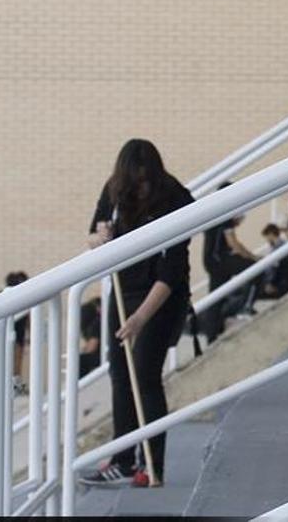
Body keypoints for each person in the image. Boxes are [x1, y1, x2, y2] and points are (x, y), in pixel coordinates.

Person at [81, 139, 193, 488]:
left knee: (144, 373)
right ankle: (124, 459)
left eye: (147, 182)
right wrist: (100, 238)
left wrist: (141, 318)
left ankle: (152, 464)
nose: (141, 188)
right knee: (119, 373)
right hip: (123, 290)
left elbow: (172, 270)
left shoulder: (175, 197)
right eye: (137, 182)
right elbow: (93, 233)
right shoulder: (114, 191)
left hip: (162, 296)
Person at [200, 183, 261, 343]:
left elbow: (222, 239)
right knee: (256, 270)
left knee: (217, 296)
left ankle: (211, 335)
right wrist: (252, 257)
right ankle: (246, 308)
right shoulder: (224, 211)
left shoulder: (215, 211)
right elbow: (233, 242)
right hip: (219, 259)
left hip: (212, 259)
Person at [6, 271, 31, 393]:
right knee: (14, 358)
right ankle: (13, 383)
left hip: (15, 329)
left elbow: (28, 316)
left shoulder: (23, 296)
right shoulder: (18, 294)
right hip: (13, 328)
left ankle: (14, 383)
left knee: (15, 358)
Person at [79, 297, 103, 377]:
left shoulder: (95, 325)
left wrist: (85, 349)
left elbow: (92, 347)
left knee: (81, 360)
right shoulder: (101, 322)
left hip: (101, 357)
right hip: (106, 354)